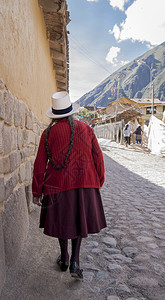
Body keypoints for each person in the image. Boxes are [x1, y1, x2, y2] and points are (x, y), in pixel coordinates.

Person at [32, 91, 106, 280]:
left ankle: (64, 257)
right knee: (78, 221)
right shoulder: (86, 128)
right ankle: (75, 260)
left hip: (57, 186)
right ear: (71, 111)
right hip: (85, 183)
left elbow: (40, 164)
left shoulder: (48, 134)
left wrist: (36, 190)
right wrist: (99, 180)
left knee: (63, 222)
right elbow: (98, 156)